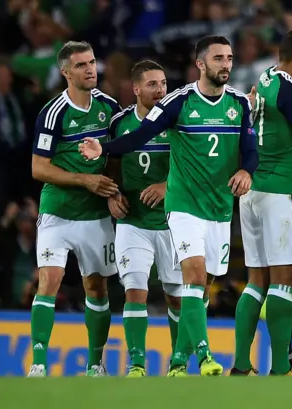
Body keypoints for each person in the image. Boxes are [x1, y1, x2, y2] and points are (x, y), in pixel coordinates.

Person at [78, 35, 258, 377]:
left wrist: (247, 171)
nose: (226, 65)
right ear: (201, 64)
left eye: (230, 58)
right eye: (218, 58)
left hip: (218, 207)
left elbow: (249, 147)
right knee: (193, 275)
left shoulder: (239, 103)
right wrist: (105, 149)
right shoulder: (179, 102)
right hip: (183, 204)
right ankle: (204, 357)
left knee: (202, 285)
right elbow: (140, 135)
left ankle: (177, 362)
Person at [233, 29, 292, 376]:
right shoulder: (289, 86)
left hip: (252, 190)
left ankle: (242, 365)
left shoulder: (266, 77)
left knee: (257, 281)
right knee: (286, 282)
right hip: (283, 192)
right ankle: (280, 369)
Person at [29, 41, 121, 378]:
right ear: (66, 72)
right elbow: (39, 168)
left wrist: (113, 190)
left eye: (92, 62)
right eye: (81, 65)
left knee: (96, 288)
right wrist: (84, 179)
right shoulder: (53, 113)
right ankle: (38, 364)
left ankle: (95, 365)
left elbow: (119, 154)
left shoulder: (110, 108)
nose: (90, 69)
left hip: (95, 215)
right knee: (48, 280)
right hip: (58, 211)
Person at [105, 60, 185, 377]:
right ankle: (136, 363)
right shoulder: (120, 123)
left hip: (172, 222)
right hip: (133, 223)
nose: (160, 90)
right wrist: (112, 195)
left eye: (164, 83)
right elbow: (109, 164)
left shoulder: (178, 121)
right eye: (152, 84)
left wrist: (168, 186)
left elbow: (195, 165)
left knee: (176, 297)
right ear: (136, 89)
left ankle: (178, 364)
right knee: (134, 289)